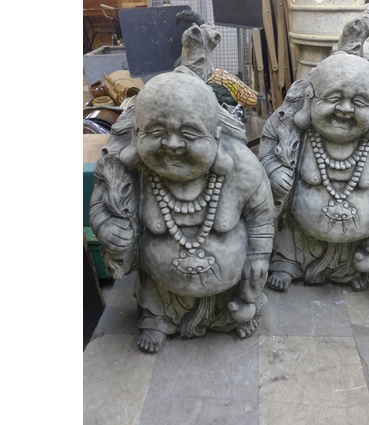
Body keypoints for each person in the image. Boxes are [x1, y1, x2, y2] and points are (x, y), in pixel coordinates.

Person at [89, 67, 274, 352]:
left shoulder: (242, 166)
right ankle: (158, 319)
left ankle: (234, 311)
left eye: (189, 133)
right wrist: (108, 227)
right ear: (137, 133)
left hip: (228, 290)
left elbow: (262, 215)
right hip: (161, 289)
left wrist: (259, 257)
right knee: (155, 302)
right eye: (156, 131)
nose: (172, 144)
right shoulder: (130, 172)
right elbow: (101, 206)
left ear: (216, 136)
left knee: (241, 309)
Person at [258, 51, 369, 293]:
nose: (345, 109)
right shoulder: (288, 125)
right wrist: (273, 170)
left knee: (359, 263)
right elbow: (265, 149)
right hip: (298, 239)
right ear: (310, 97)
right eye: (334, 97)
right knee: (289, 242)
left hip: (354, 245)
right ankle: (288, 264)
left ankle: (349, 270)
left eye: (359, 102)